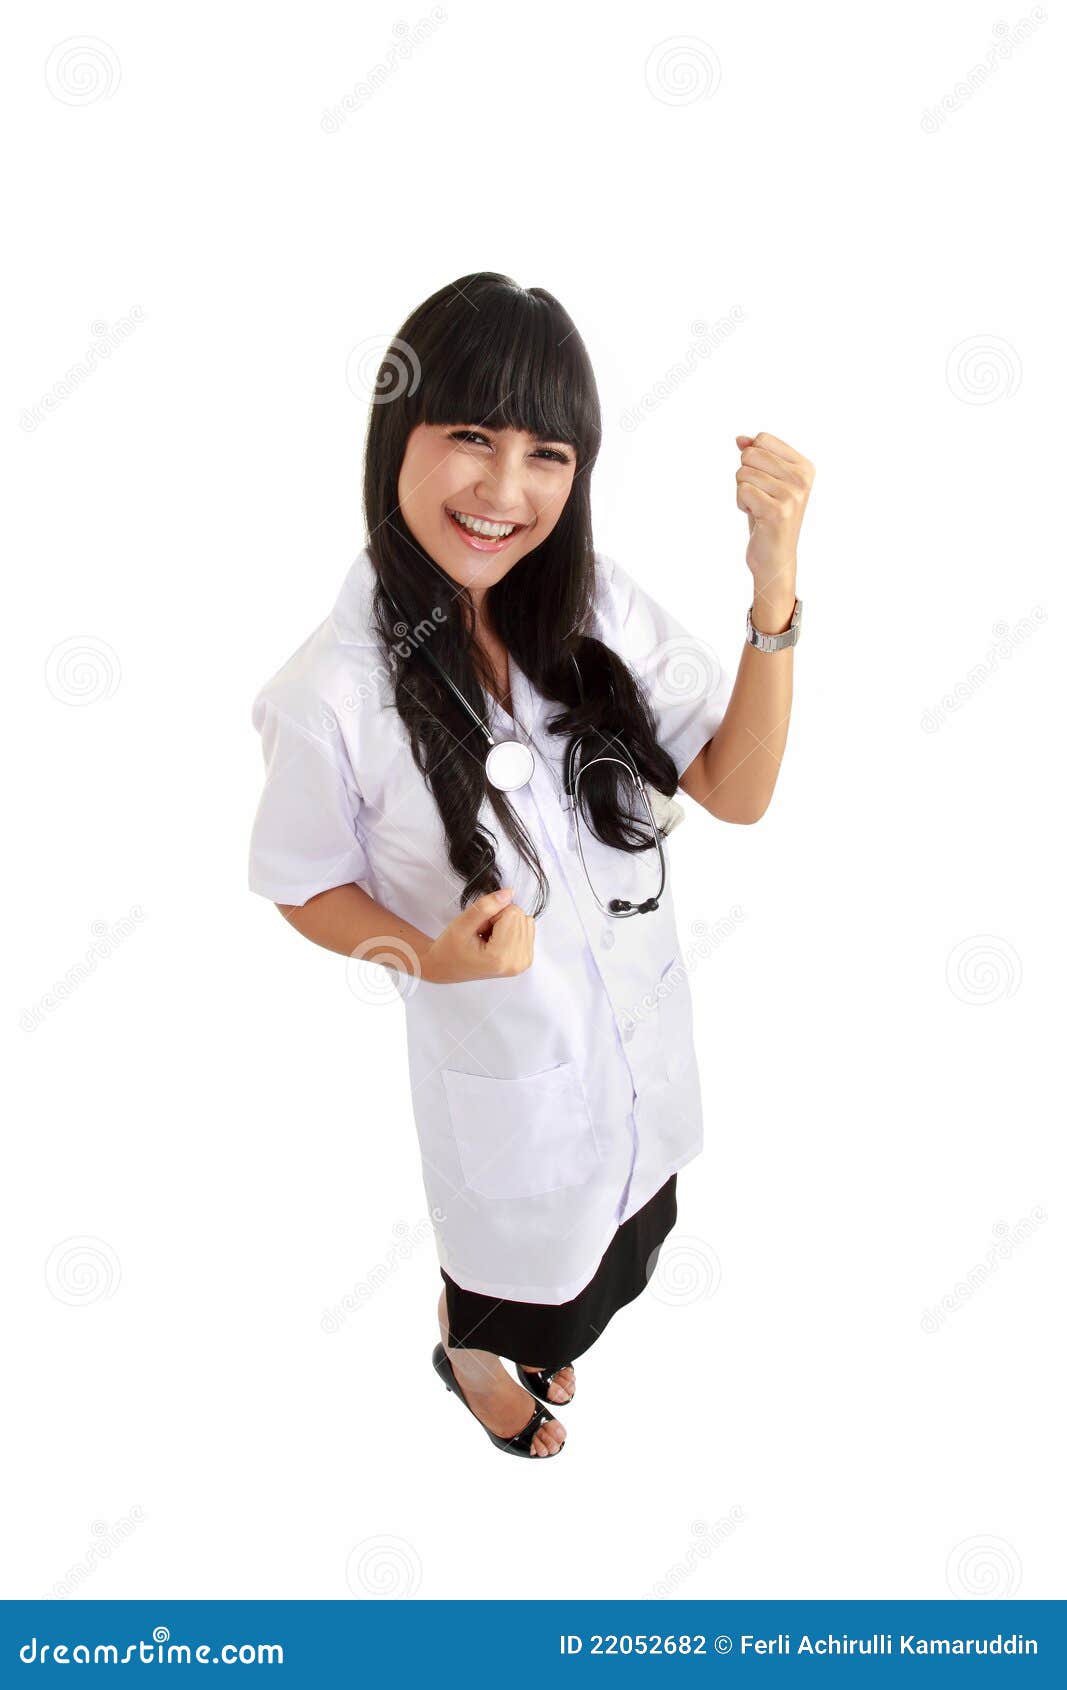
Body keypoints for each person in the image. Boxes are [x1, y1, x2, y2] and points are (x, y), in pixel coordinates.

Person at [248, 271, 814, 1458]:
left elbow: (736, 791)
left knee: (608, 1259)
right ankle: (462, 1347)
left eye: (546, 453)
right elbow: (302, 881)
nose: (505, 491)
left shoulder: (596, 602)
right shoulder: (326, 691)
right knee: (518, 1277)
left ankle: (536, 1334)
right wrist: (424, 958)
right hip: (507, 1086)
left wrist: (772, 590)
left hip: (632, 1064)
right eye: (469, 437)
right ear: (395, 438)